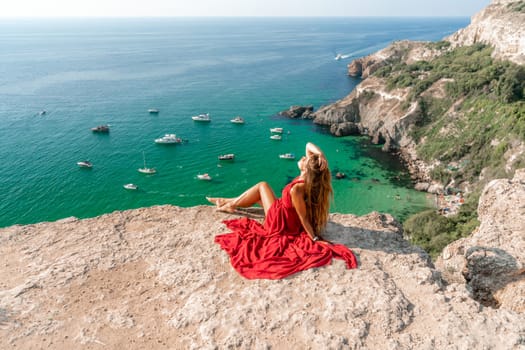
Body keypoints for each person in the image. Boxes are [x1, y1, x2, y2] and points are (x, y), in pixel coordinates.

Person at [207, 142, 358, 279]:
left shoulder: (298, 188)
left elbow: (303, 217)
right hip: (282, 210)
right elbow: (308, 145)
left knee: (262, 186)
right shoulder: (309, 178)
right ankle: (227, 202)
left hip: (280, 222)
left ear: (306, 168)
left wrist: (315, 239)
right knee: (257, 195)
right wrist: (321, 155)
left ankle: (229, 204)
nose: (303, 157)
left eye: (305, 159)